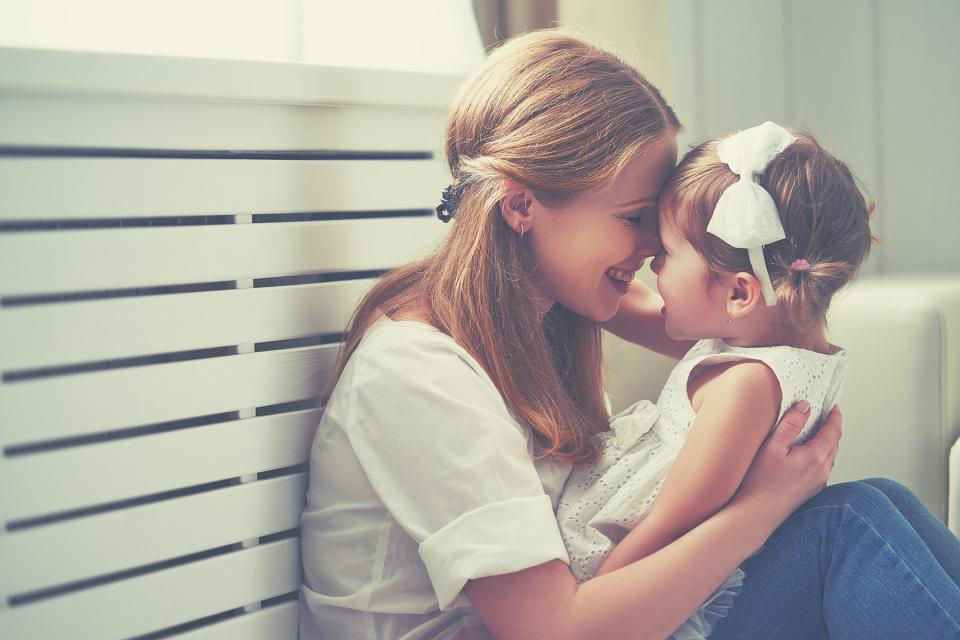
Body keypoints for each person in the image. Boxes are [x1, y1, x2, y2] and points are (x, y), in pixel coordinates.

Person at [299, 30, 960, 639]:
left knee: (878, 501)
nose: (652, 249)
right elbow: (555, 632)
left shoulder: (544, 315)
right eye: (636, 217)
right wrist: (765, 502)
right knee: (845, 528)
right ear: (522, 204)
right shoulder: (419, 374)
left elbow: (745, 327)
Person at [557, 122, 870, 639]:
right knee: (880, 502)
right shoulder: (767, 341)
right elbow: (625, 308)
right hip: (657, 565)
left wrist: (581, 605)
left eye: (667, 252)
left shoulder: (743, 387)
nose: (651, 261)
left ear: (740, 294)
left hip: (620, 571)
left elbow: (669, 524)